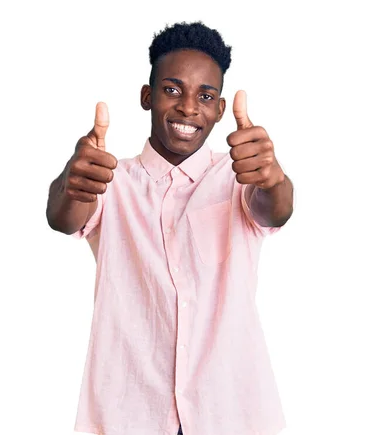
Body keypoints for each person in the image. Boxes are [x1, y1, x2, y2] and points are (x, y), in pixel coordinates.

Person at [46, 21, 294, 435]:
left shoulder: (241, 180)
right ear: (147, 96)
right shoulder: (112, 180)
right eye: (172, 90)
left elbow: (276, 209)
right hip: (129, 414)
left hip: (230, 414)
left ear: (218, 108)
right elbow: (62, 216)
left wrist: (272, 179)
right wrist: (70, 182)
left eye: (206, 96)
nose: (188, 108)